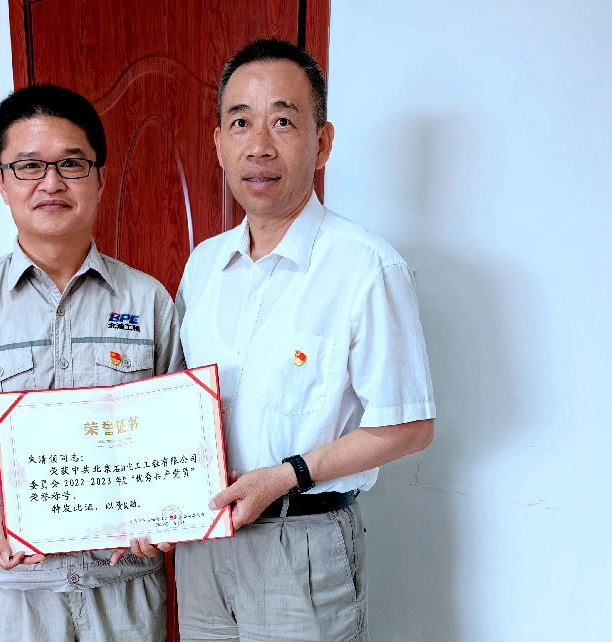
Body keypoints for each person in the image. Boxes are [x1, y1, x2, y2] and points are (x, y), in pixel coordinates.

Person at [174, 39, 436, 642]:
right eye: (240, 122)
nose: (259, 146)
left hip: (302, 545)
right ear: (218, 143)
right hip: (203, 544)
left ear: (323, 142)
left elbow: (410, 425)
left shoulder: (365, 267)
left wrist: (287, 474)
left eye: (284, 121)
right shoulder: (203, 265)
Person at [0, 84, 182, 642]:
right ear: (1, 181)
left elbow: (179, 429)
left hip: (125, 579)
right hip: (19, 588)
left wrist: (170, 513)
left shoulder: (148, 300)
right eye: (29, 165)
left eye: (72, 164)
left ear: (100, 177)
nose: (51, 182)